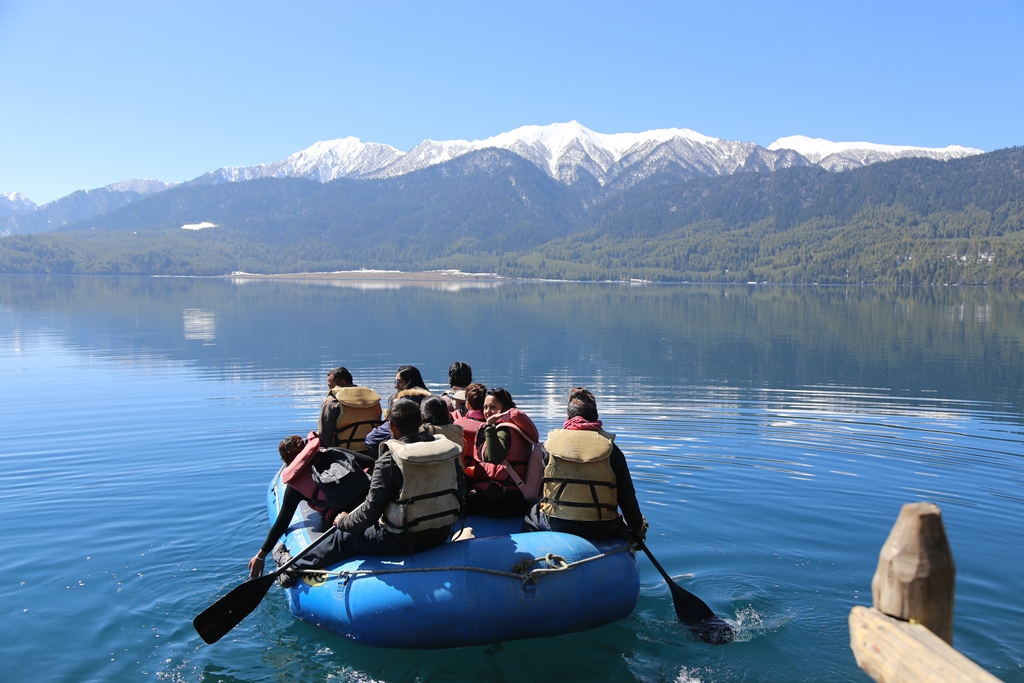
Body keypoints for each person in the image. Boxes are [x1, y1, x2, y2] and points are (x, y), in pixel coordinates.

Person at [275, 399, 465, 586]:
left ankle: (294, 566)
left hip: (401, 541)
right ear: (420, 423)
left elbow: (369, 514)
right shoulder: (447, 451)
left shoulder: (389, 461)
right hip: (442, 532)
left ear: (391, 427)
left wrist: (344, 521)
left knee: (344, 537)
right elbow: (461, 491)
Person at [522, 387, 647, 543]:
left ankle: (527, 554)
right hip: (601, 527)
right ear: (595, 417)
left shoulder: (548, 447)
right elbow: (627, 497)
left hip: (555, 523)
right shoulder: (612, 451)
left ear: (568, 416)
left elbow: (540, 489)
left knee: (530, 515)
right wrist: (636, 529)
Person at [247, 434, 372, 578]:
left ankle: (289, 569)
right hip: (370, 505)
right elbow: (370, 462)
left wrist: (261, 555)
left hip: (344, 521)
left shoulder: (296, 486)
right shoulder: (333, 452)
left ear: (288, 462)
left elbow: (282, 522)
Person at [464, 387, 540, 517]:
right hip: (512, 498)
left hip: (501, 501)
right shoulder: (514, 427)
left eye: (493, 407)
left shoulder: (503, 430)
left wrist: (489, 427)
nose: (487, 412)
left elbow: (494, 457)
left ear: (505, 409)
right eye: (485, 407)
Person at [364, 365, 433, 456]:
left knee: (371, 439)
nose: (395, 386)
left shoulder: (403, 402)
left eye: (399, 382)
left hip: (401, 432)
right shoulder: (429, 399)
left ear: (409, 382)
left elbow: (372, 439)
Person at [317, 366, 383, 452]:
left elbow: (324, 437)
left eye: (330, 386)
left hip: (343, 453)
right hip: (372, 450)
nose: (329, 389)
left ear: (342, 382)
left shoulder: (331, 401)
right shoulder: (373, 400)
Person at [453, 382, 486, 468]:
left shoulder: (457, 424)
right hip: (481, 472)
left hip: (463, 471)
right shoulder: (491, 427)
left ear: (468, 404)